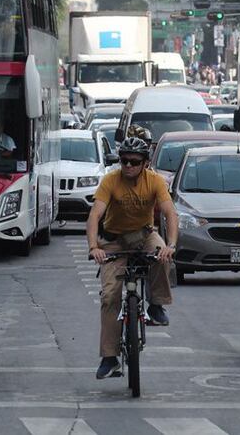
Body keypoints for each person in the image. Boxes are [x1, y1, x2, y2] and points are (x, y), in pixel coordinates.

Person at [87, 132, 178, 380]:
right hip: (113, 241)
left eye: (134, 162)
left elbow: (170, 213)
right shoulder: (110, 181)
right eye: (124, 161)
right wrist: (94, 246)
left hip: (144, 235)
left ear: (145, 163)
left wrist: (171, 244)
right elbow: (95, 215)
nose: (128, 166)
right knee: (109, 296)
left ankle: (156, 304)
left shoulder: (155, 181)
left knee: (162, 255)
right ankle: (109, 357)